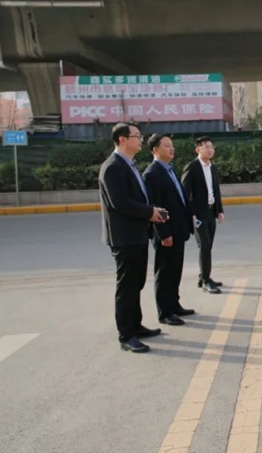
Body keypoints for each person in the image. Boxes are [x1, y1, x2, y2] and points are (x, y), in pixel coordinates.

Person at [99, 122, 167, 354]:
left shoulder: (129, 165)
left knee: (136, 283)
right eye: (136, 136)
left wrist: (152, 211)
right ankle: (126, 335)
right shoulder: (112, 167)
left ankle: (135, 325)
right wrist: (149, 212)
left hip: (137, 234)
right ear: (122, 139)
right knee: (127, 286)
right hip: (124, 237)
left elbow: (138, 197)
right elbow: (119, 202)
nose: (141, 140)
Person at [143, 134, 195, 327]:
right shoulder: (152, 174)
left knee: (175, 270)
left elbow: (180, 199)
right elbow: (154, 206)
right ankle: (165, 312)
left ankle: (174, 304)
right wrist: (163, 233)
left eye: (172, 145)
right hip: (166, 233)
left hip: (178, 229)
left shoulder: (170, 170)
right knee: (165, 272)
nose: (171, 148)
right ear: (155, 150)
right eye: (166, 146)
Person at [181, 136, 225, 294]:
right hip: (198, 214)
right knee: (204, 245)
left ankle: (203, 276)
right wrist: (190, 214)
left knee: (208, 245)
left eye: (212, 147)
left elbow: (215, 190)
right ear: (198, 149)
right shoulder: (192, 167)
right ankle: (206, 280)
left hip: (210, 211)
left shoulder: (212, 168)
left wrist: (219, 210)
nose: (210, 150)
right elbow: (184, 193)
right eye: (206, 147)